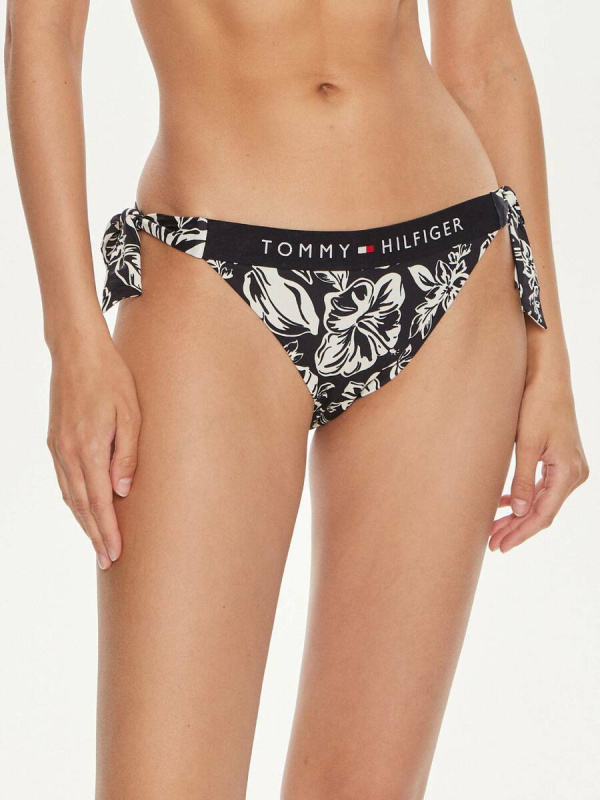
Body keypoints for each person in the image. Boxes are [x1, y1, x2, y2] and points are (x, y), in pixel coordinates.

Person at [5, 1, 588, 797]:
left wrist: (549, 354)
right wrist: (72, 341)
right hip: (214, 274)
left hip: (450, 268)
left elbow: (483, 54)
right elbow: (42, 32)